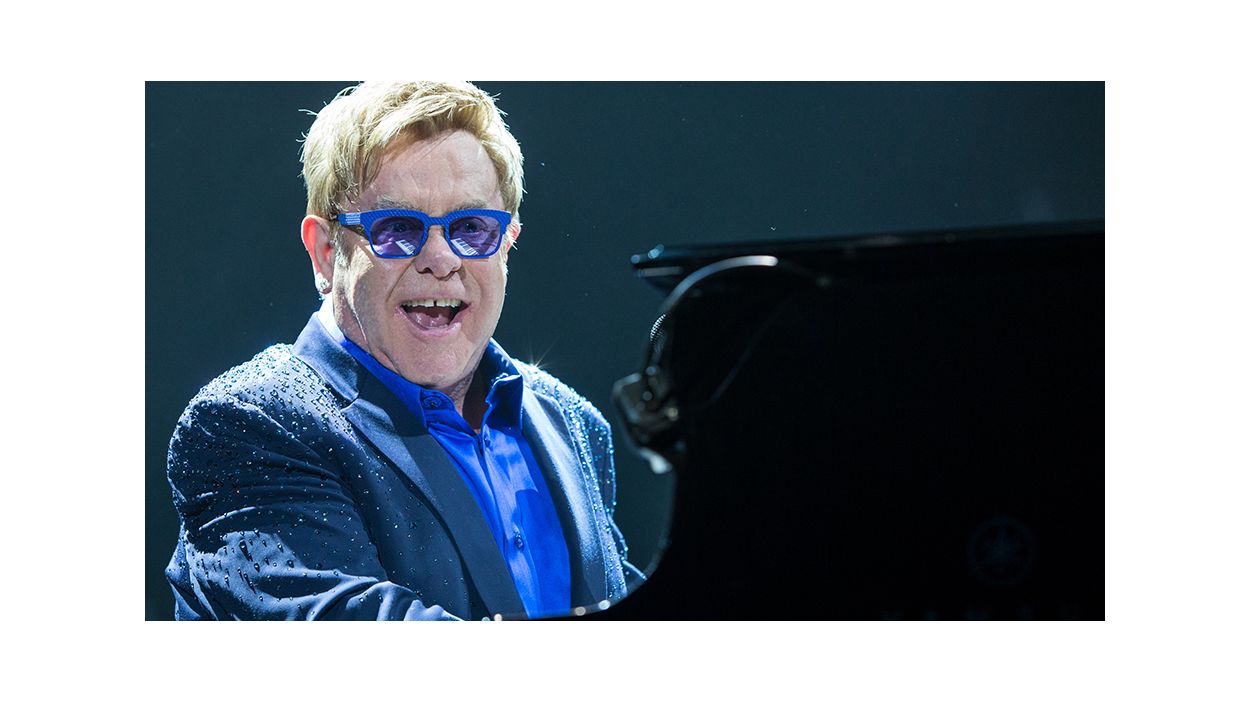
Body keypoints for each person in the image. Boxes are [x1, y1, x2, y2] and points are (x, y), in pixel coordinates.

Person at [163, 81, 644, 620]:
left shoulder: (573, 423)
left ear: (507, 244)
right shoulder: (247, 428)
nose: (441, 258)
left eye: (472, 228)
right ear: (326, 253)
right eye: (397, 229)